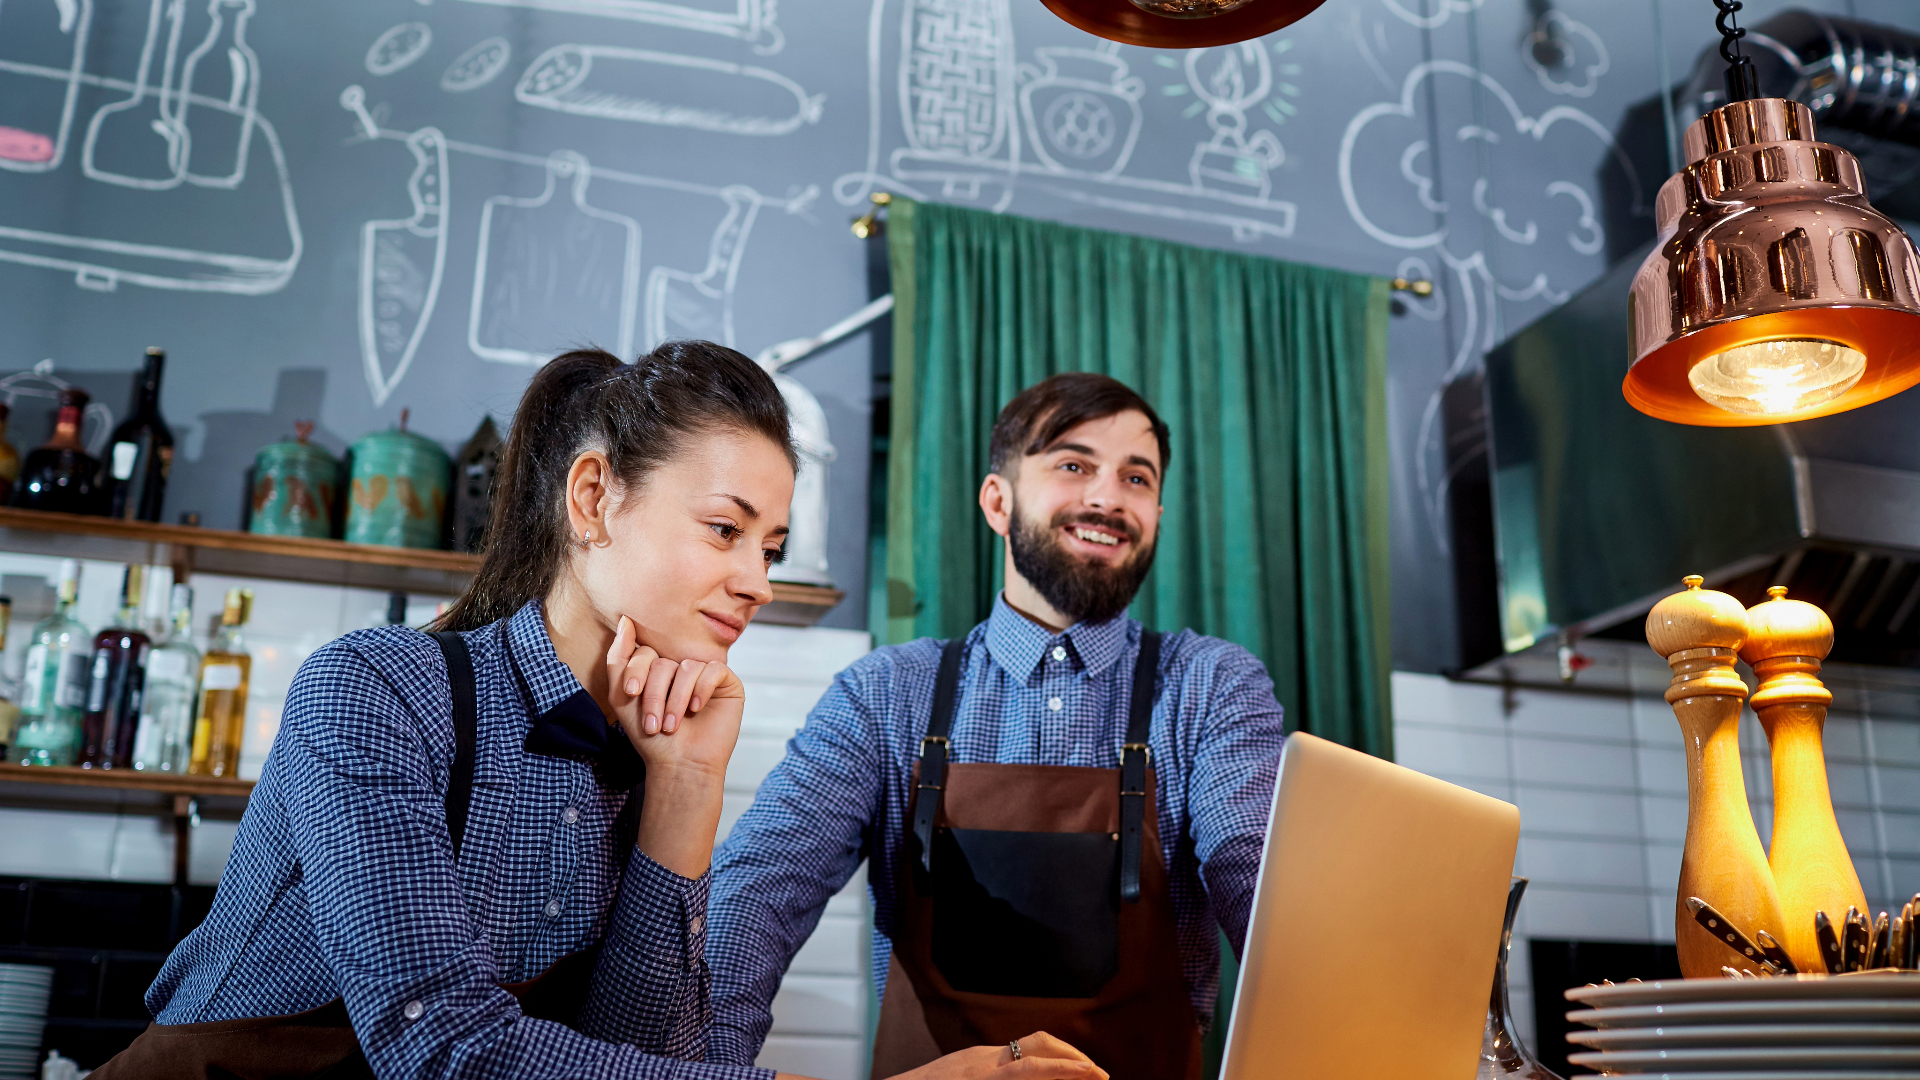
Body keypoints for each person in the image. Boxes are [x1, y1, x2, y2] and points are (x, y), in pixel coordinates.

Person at [93, 344, 1106, 1080]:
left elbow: (641, 1063)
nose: (755, 578)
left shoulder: (649, 753)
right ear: (593, 500)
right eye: (725, 529)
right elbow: (439, 1043)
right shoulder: (376, 688)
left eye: (771, 547)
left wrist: (687, 785)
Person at [707, 373, 1288, 1080]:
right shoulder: (882, 696)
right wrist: (701, 1070)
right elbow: (755, 901)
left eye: (1136, 478)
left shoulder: (1212, 686)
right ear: (998, 500)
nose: (1107, 497)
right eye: (1073, 465)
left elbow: (1257, 880)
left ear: (1158, 514)